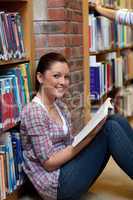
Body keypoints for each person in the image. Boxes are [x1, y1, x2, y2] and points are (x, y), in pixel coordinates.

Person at [20, 52, 133, 200]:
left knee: (115, 119)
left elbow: (69, 143)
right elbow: (49, 163)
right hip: (57, 185)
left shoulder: (59, 105)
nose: (63, 82)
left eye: (66, 77)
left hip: (69, 167)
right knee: (110, 129)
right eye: (56, 76)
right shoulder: (33, 112)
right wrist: (90, 137)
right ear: (40, 77)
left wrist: (91, 131)